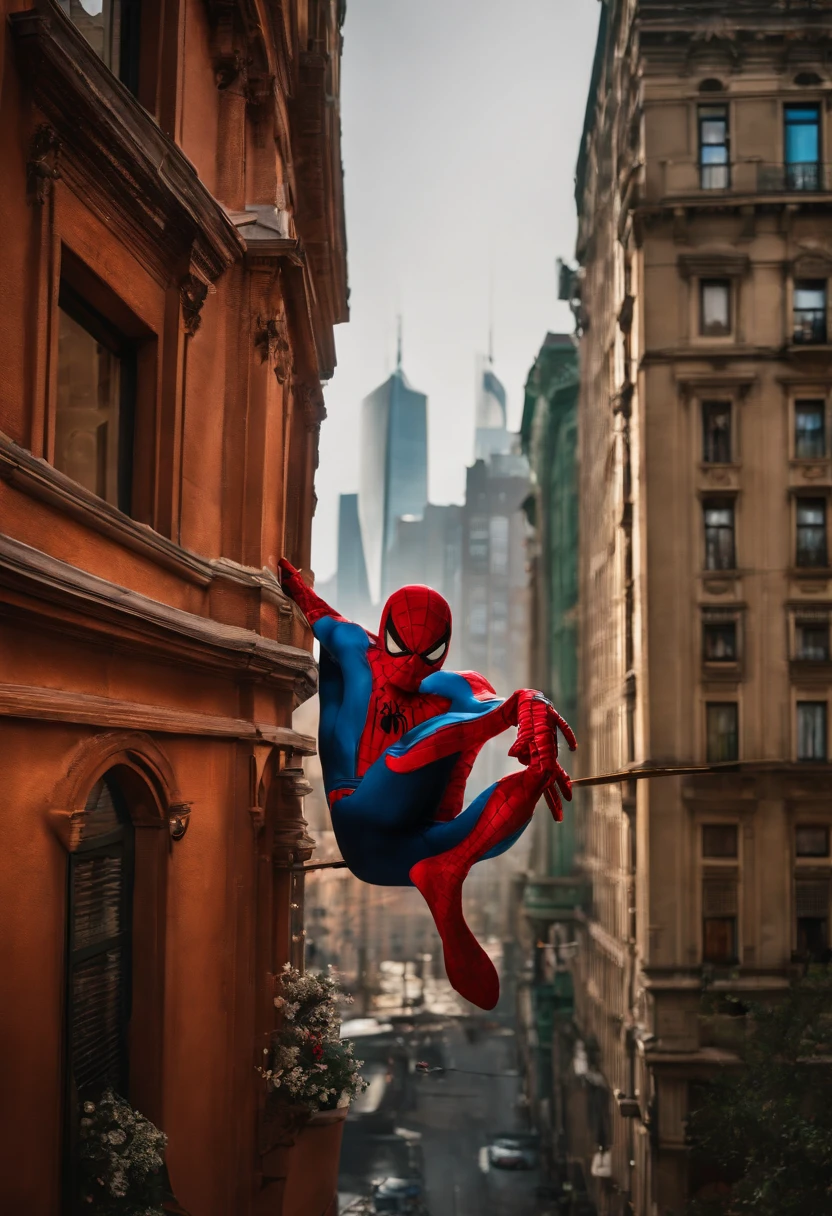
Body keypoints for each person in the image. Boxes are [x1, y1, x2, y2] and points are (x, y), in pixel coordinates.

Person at [279, 560, 576, 1010]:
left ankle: (446, 871)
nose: (413, 667)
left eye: (428, 656)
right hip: (362, 814)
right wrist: (521, 705)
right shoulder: (355, 648)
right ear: (386, 632)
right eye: (403, 650)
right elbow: (317, 611)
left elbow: (482, 704)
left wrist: (531, 710)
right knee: (418, 744)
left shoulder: (454, 689)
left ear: (444, 649)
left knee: (529, 776)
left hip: (417, 852)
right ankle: (445, 870)